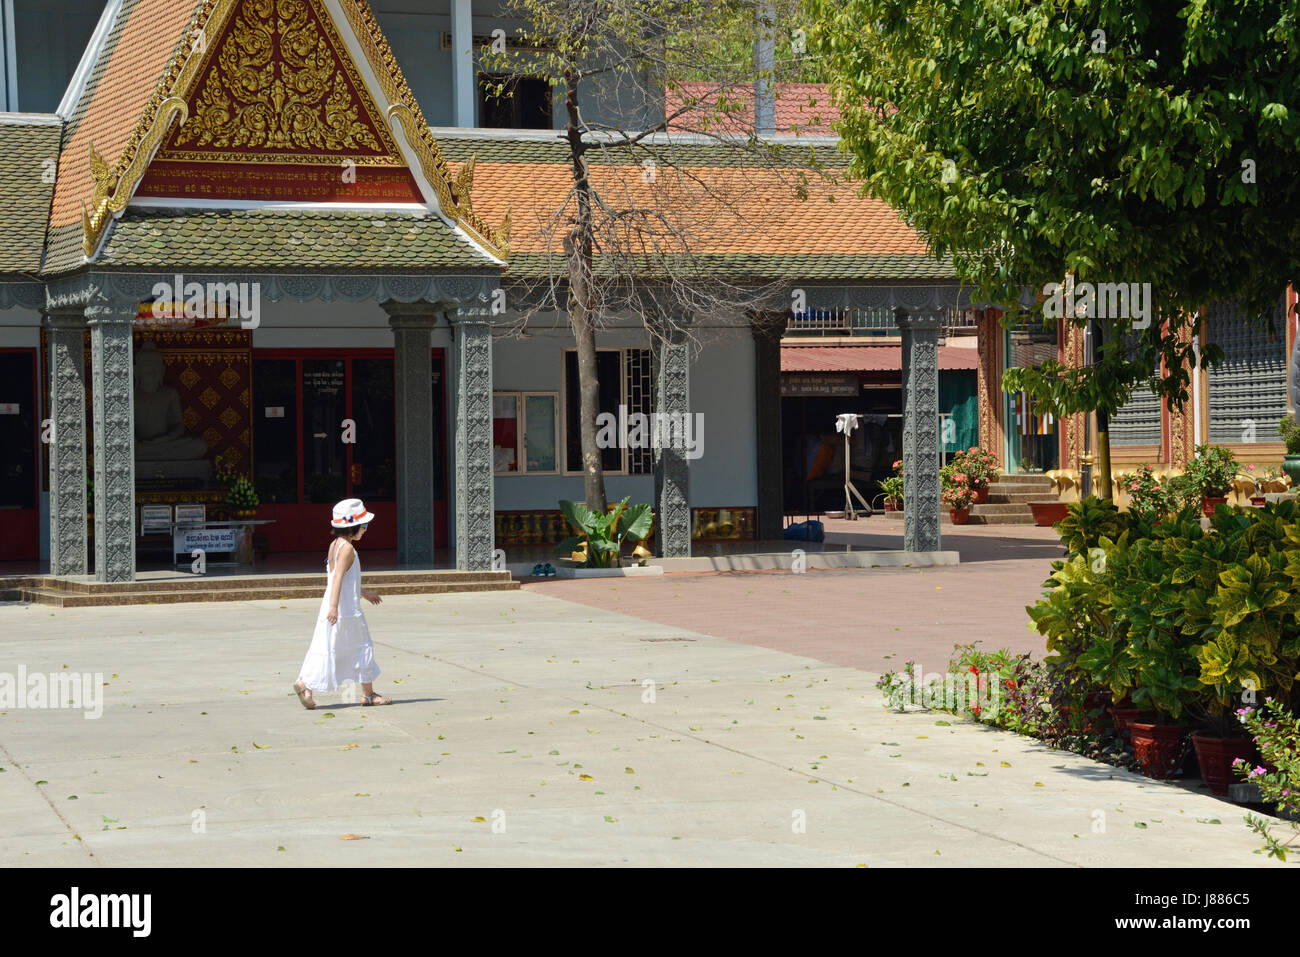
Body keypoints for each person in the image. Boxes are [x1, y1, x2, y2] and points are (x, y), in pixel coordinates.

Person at [293, 498, 390, 709]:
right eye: (364, 526)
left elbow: (341, 578)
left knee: (327, 645)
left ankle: (304, 683)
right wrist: (335, 607)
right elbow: (337, 578)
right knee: (363, 645)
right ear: (353, 526)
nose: (365, 529)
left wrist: (364, 593)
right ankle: (369, 694)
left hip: (335, 604)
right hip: (345, 609)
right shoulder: (347, 549)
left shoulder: (334, 545)